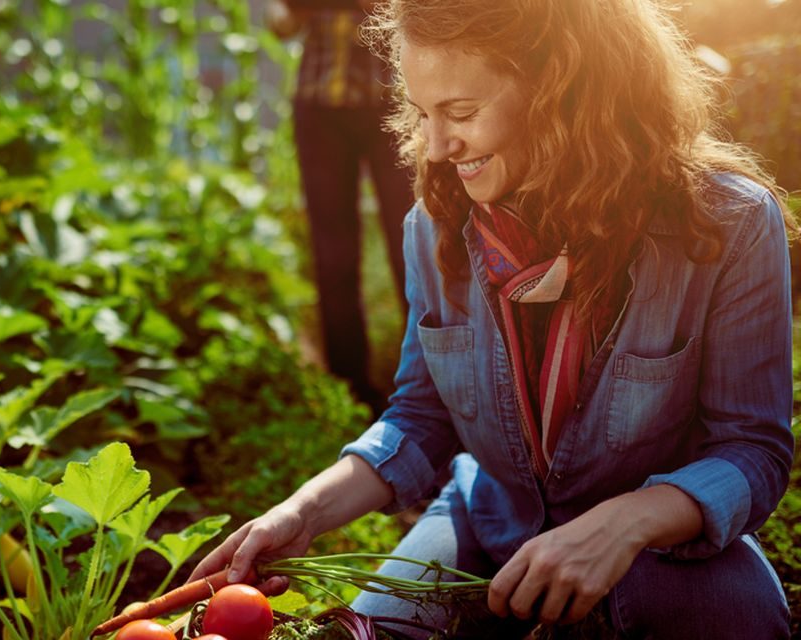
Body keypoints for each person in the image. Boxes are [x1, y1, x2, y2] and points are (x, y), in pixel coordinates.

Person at [191, 0, 796, 637]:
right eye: (424, 114)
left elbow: (752, 451)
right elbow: (420, 418)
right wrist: (302, 513)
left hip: (659, 548)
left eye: (460, 112)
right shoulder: (434, 226)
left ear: (563, 92)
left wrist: (627, 522)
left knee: (743, 621)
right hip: (488, 524)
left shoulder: (727, 225)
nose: (436, 146)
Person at [267, 0, 416, 413]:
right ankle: (351, 391)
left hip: (392, 101)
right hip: (320, 107)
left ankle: (428, 382)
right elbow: (279, 23)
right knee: (333, 256)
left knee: (412, 243)